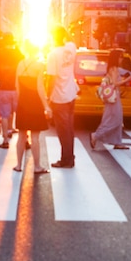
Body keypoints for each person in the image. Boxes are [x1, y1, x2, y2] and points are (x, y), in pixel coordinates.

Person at [13, 40, 50, 173]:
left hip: (22, 102)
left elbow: (17, 86)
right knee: (35, 137)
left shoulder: (20, 64)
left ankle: (18, 165)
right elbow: (40, 87)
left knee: (21, 136)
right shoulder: (39, 65)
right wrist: (46, 105)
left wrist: (20, 102)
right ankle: (37, 166)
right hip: (35, 103)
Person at [46, 26, 79, 168]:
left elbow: (51, 79)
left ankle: (66, 159)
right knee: (69, 129)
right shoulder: (71, 47)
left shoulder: (53, 54)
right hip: (71, 94)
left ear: (53, 37)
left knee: (62, 131)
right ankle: (69, 157)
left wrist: (48, 97)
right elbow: (71, 40)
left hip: (60, 97)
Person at [91, 49, 131, 149]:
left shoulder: (113, 68)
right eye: (120, 57)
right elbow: (114, 83)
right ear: (116, 58)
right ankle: (96, 135)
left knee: (116, 119)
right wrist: (127, 80)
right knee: (114, 120)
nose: (121, 59)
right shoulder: (113, 69)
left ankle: (117, 142)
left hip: (114, 97)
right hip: (113, 99)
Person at [0, 32, 23, 149]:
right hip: (16, 87)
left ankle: (5, 139)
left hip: (3, 88)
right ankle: (23, 138)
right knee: (18, 113)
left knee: (4, 115)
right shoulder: (17, 53)